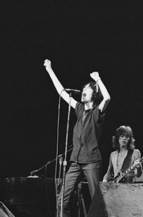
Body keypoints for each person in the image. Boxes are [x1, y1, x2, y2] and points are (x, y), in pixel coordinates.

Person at [44, 59, 111, 217]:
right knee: (62, 201)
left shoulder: (97, 113)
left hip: (92, 162)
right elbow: (61, 92)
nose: (83, 92)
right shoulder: (79, 109)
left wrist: (98, 80)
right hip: (75, 161)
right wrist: (50, 70)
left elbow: (107, 98)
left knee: (96, 201)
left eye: (86, 90)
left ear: (94, 94)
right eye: (83, 89)